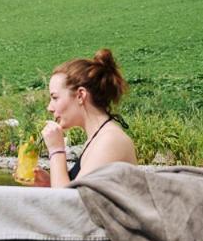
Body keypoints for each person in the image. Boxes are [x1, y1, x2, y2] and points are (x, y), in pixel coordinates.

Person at [36, 48, 137, 187]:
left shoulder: (110, 141)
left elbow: (68, 204)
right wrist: (48, 183)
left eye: (55, 98)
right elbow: (83, 196)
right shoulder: (98, 138)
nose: (49, 107)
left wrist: (56, 151)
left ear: (80, 95)